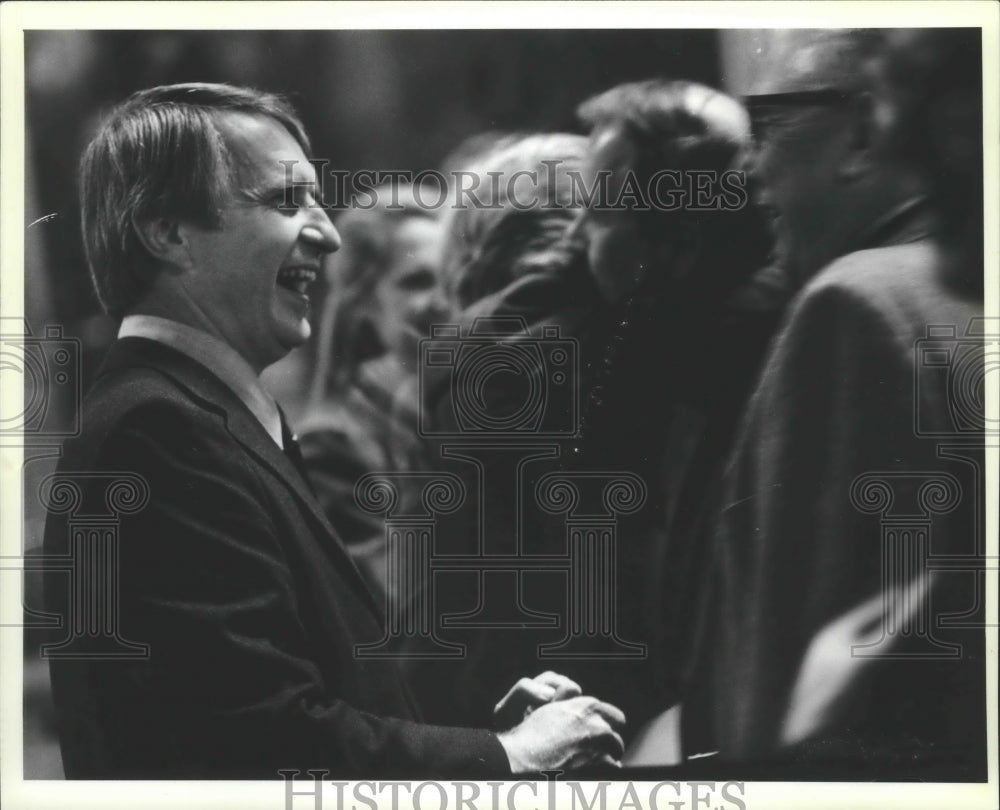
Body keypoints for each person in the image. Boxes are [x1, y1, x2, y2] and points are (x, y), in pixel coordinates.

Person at [42, 82, 627, 779]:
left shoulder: (193, 412)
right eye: (287, 201)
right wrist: (509, 755)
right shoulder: (158, 429)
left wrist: (480, 734)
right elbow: (262, 743)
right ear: (168, 233)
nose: (329, 232)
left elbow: (299, 698)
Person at [682, 30, 986, 774]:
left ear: (866, 132)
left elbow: (799, 693)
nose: (746, 166)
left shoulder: (860, 307)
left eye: (768, 127)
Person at [295, 185, 451, 597]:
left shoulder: (447, 419)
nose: (443, 301)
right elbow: (385, 604)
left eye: (451, 278)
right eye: (417, 281)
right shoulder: (332, 443)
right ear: (363, 304)